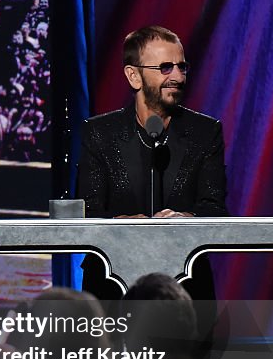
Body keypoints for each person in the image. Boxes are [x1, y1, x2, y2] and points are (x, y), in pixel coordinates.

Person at [77, 25, 228, 300]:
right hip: (110, 288)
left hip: (187, 288)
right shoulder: (100, 133)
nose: (178, 77)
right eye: (166, 68)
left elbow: (215, 209)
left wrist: (188, 219)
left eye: (182, 67)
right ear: (134, 76)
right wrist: (117, 225)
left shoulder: (205, 132)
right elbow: (87, 210)